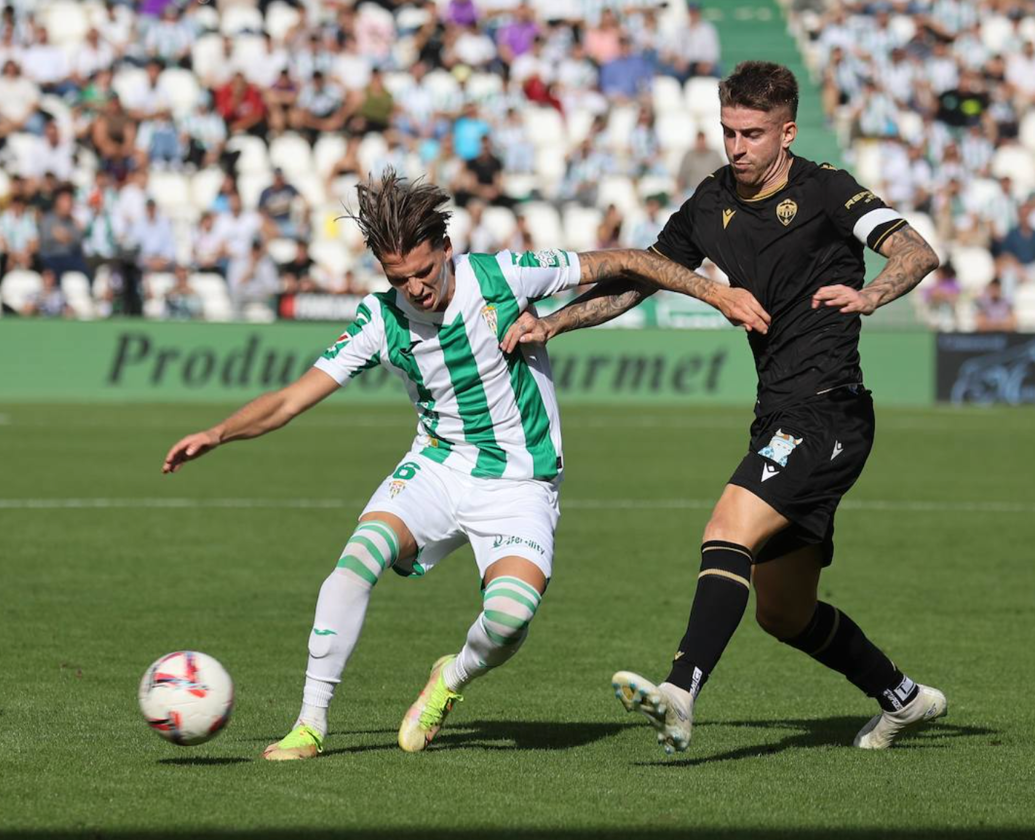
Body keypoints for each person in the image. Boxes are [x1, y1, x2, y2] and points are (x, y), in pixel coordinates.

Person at [161, 169, 767, 761]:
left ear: (446, 249)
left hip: (521, 482)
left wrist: (717, 294)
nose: (416, 288)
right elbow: (293, 398)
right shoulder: (380, 319)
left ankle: (448, 679)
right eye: (400, 278)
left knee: (508, 619)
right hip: (436, 467)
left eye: (424, 272)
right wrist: (219, 432)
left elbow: (630, 261)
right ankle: (310, 725)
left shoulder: (502, 276)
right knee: (356, 561)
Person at [502, 62, 944, 754]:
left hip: (828, 413)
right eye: (728, 131)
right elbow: (641, 276)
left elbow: (917, 250)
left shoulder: (827, 189)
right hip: (780, 416)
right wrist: (554, 323)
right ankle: (903, 698)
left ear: (787, 132)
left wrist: (871, 295)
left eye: (753, 134)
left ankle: (679, 692)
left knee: (726, 526)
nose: (737, 147)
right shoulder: (711, 200)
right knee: (784, 612)